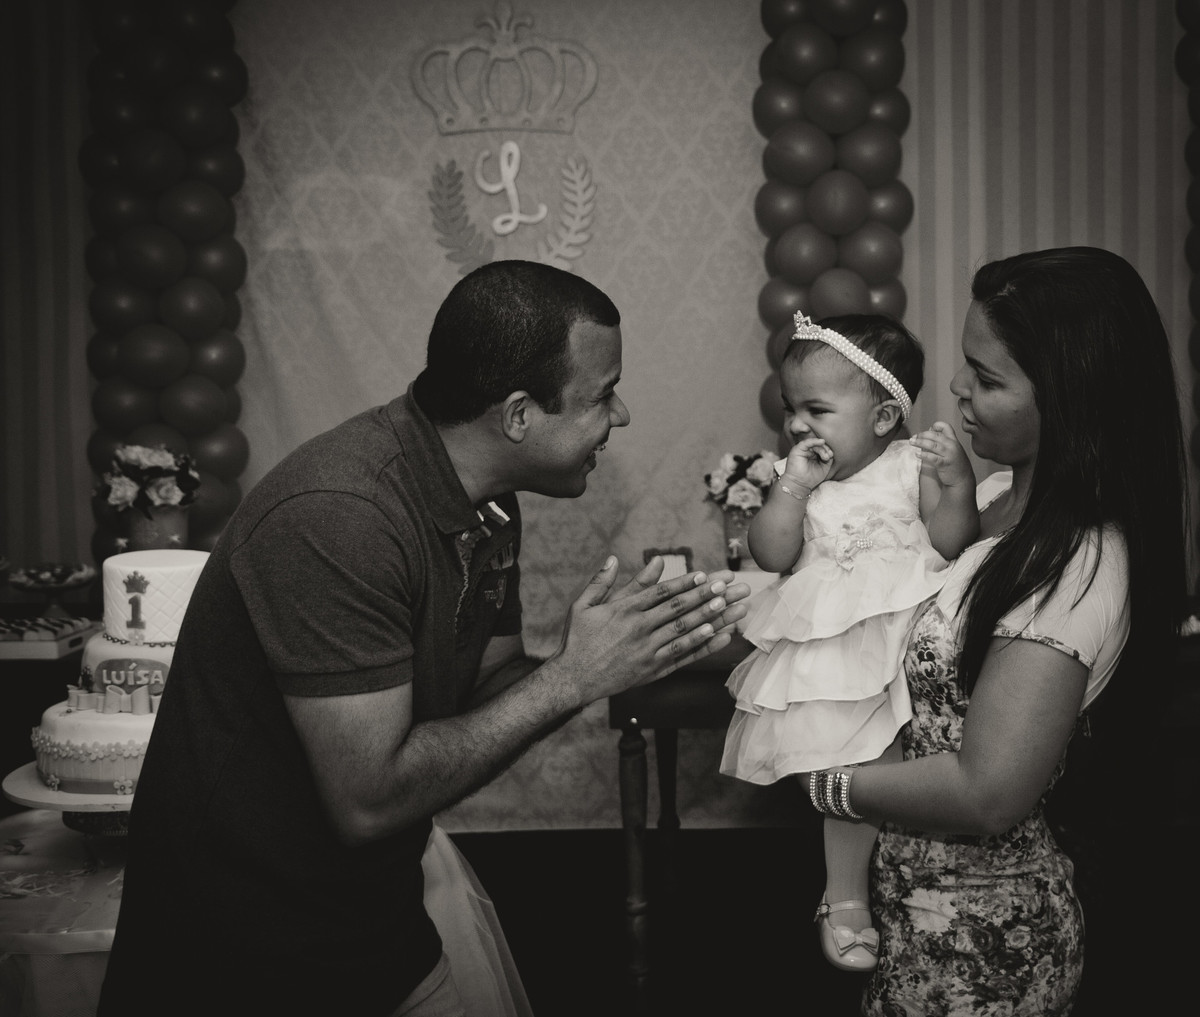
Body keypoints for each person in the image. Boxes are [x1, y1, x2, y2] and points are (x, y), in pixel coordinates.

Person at [97, 260, 750, 1016]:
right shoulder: (340, 517)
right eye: (603, 395)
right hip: (242, 958)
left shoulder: (490, 498)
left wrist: (618, 656)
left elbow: (494, 683)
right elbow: (368, 799)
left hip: (374, 927)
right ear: (517, 416)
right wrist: (574, 677)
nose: (623, 415)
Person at [795, 248, 1188, 1015]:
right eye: (965, 364)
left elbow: (987, 790)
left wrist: (820, 782)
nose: (955, 387)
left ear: (1072, 397)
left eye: (989, 377)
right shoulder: (994, 499)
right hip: (914, 913)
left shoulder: (1078, 561)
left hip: (985, 943)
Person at [720, 312, 979, 972]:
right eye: (789, 408)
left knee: (919, 769)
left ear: (886, 417)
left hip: (910, 641)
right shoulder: (797, 477)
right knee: (854, 767)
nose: (797, 424)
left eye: (817, 408)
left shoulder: (904, 467)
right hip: (838, 652)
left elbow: (949, 543)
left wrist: (956, 486)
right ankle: (844, 895)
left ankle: (917, 889)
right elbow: (773, 553)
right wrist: (792, 488)